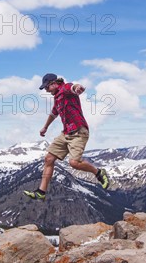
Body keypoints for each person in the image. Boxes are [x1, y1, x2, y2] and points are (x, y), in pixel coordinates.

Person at [23, 73, 110, 201]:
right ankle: (41, 192)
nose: (46, 91)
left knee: (74, 163)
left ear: (53, 84)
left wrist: (78, 87)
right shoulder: (57, 98)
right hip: (66, 132)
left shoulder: (64, 89)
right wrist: (45, 127)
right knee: (49, 159)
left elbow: (72, 87)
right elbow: (54, 113)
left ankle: (98, 172)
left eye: (47, 88)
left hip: (79, 132)